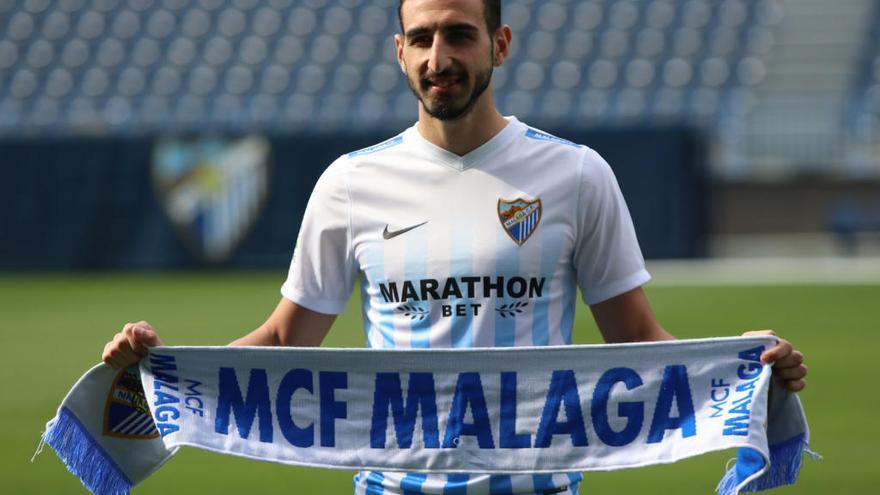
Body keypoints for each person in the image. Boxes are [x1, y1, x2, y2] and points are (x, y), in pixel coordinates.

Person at [103, 1, 808, 493]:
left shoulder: (576, 174)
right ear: (400, 51)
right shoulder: (351, 182)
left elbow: (640, 341)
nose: (440, 57)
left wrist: (739, 368)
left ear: (499, 44)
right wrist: (161, 372)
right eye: (422, 38)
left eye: (460, 35)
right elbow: (288, 336)